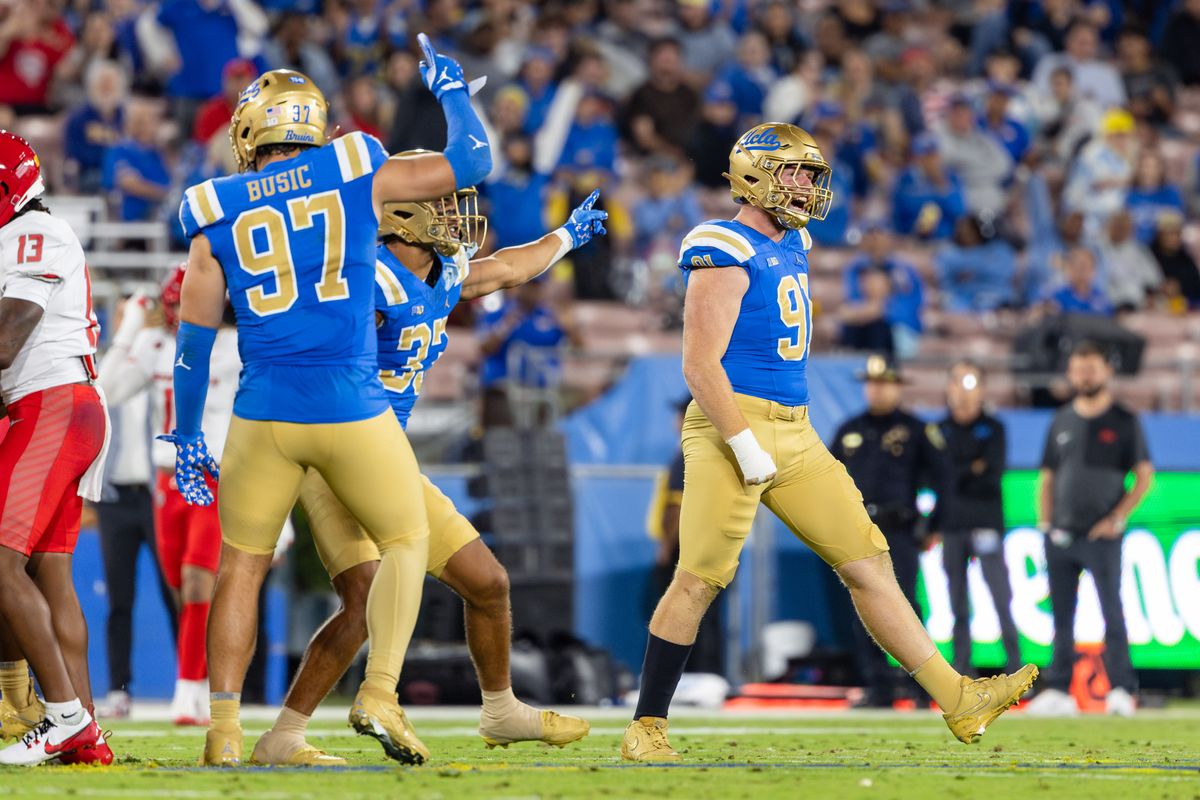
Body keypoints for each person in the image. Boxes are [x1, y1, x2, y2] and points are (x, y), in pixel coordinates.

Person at [621, 123, 1037, 763]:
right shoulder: (723, 245)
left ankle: (958, 698)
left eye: (810, 175)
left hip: (795, 427)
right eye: (793, 172)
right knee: (698, 579)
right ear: (755, 175)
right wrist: (743, 443)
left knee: (867, 561)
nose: (806, 186)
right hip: (731, 424)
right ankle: (646, 726)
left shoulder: (793, 240)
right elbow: (700, 366)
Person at [165, 34, 492, 766]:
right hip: (349, 404)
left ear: (250, 132)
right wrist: (450, 92)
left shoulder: (213, 208)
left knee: (240, 568)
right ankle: (378, 693)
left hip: (261, 411)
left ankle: (224, 733)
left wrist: (186, 434)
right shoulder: (354, 164)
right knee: (406, 541)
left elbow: (192, 345)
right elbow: (471, 162)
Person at [251, 183, 606, 766]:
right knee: (365, 598)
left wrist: (566, 236)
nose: (456, 216)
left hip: (387, 457)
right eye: (440, 205)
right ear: (400, 215)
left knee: (487, 583)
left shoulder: (444, 272)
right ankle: (308, 724)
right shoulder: (365, 279)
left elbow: (509, 268)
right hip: (338, 451)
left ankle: (499, 709)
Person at [0, 132, 110, 766]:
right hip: (59, 405)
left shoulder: (34, 231)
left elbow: (8, 337)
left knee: (0, 564)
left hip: (52, 406)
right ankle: (86, 733)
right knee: (50, 574)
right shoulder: (22, 234)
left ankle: (65, 719)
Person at [98, 265, 241, 726]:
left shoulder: (236, 345)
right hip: (164, 481)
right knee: (180, 591)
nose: (181, 312)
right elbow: (106, 390)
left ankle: (187, 691)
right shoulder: (156, 345)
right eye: (174, 304)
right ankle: (199, 683)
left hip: (211, 475)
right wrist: (129, 331)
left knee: (198, 582)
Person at [1026, 341, 1153, 718]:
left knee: (1112, 611)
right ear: (1070, 373)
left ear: (1107, 370)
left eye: (1092, 367)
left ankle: (1121, 688)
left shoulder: (1124, 420)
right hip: (1061, 534)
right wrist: (1046, 524)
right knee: (1061, 616)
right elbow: (1047, 477)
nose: (1085, 375)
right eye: (1079, 368)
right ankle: (1059, 689)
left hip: (1102, 536)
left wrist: (1116, 518)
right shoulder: (1061, 419)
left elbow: (1144, 476)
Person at [830, 355, 945, 707]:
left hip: (899, 531)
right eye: (872, 383)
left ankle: (923, 686)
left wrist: (932, 526)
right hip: (859, 531)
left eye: (884, 383)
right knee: (863, 607)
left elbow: (944, 481)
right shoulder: (848, 430)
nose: (876, 390)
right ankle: (877, 686)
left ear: (898, 387)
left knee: (905, 606)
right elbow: (828, 483)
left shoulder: (917, 430)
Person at [92, 295, 177, 722]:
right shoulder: (112, 363)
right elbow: (103, 390)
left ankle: (191, 684)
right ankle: (118, 689)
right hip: (116, 499)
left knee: (174, 590)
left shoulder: (163, 357)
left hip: (157, 493)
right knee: (119, 598)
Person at [933, 361, 1021, 676]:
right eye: (957, 381)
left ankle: (1016, 667)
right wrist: (971, 467)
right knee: (957, 601)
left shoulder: (994, 428)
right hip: (952, 525)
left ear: (982, 390)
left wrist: (958, 473)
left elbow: (991, 475)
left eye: (970, 382)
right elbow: (939, 477)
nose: (963, 390)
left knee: (1000, 596)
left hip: (985, 522)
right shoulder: (939, 430)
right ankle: (961, 669)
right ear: (948, 387)